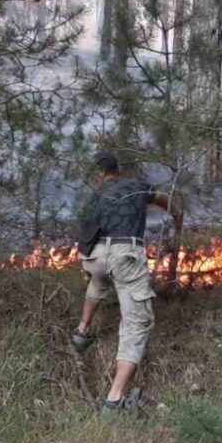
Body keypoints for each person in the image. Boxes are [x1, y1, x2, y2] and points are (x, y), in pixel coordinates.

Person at [69, 151, 182, 413]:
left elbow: (85, 230)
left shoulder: (95, 195)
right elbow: (163, 199)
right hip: (125, 254)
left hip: (92, 255)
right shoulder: (134, 185)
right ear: (117, 170)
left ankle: (81, 332)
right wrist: (177, 213)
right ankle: (114, 399)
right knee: (136, 323)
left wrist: (85, 263)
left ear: (98, 175)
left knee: (99, 280)